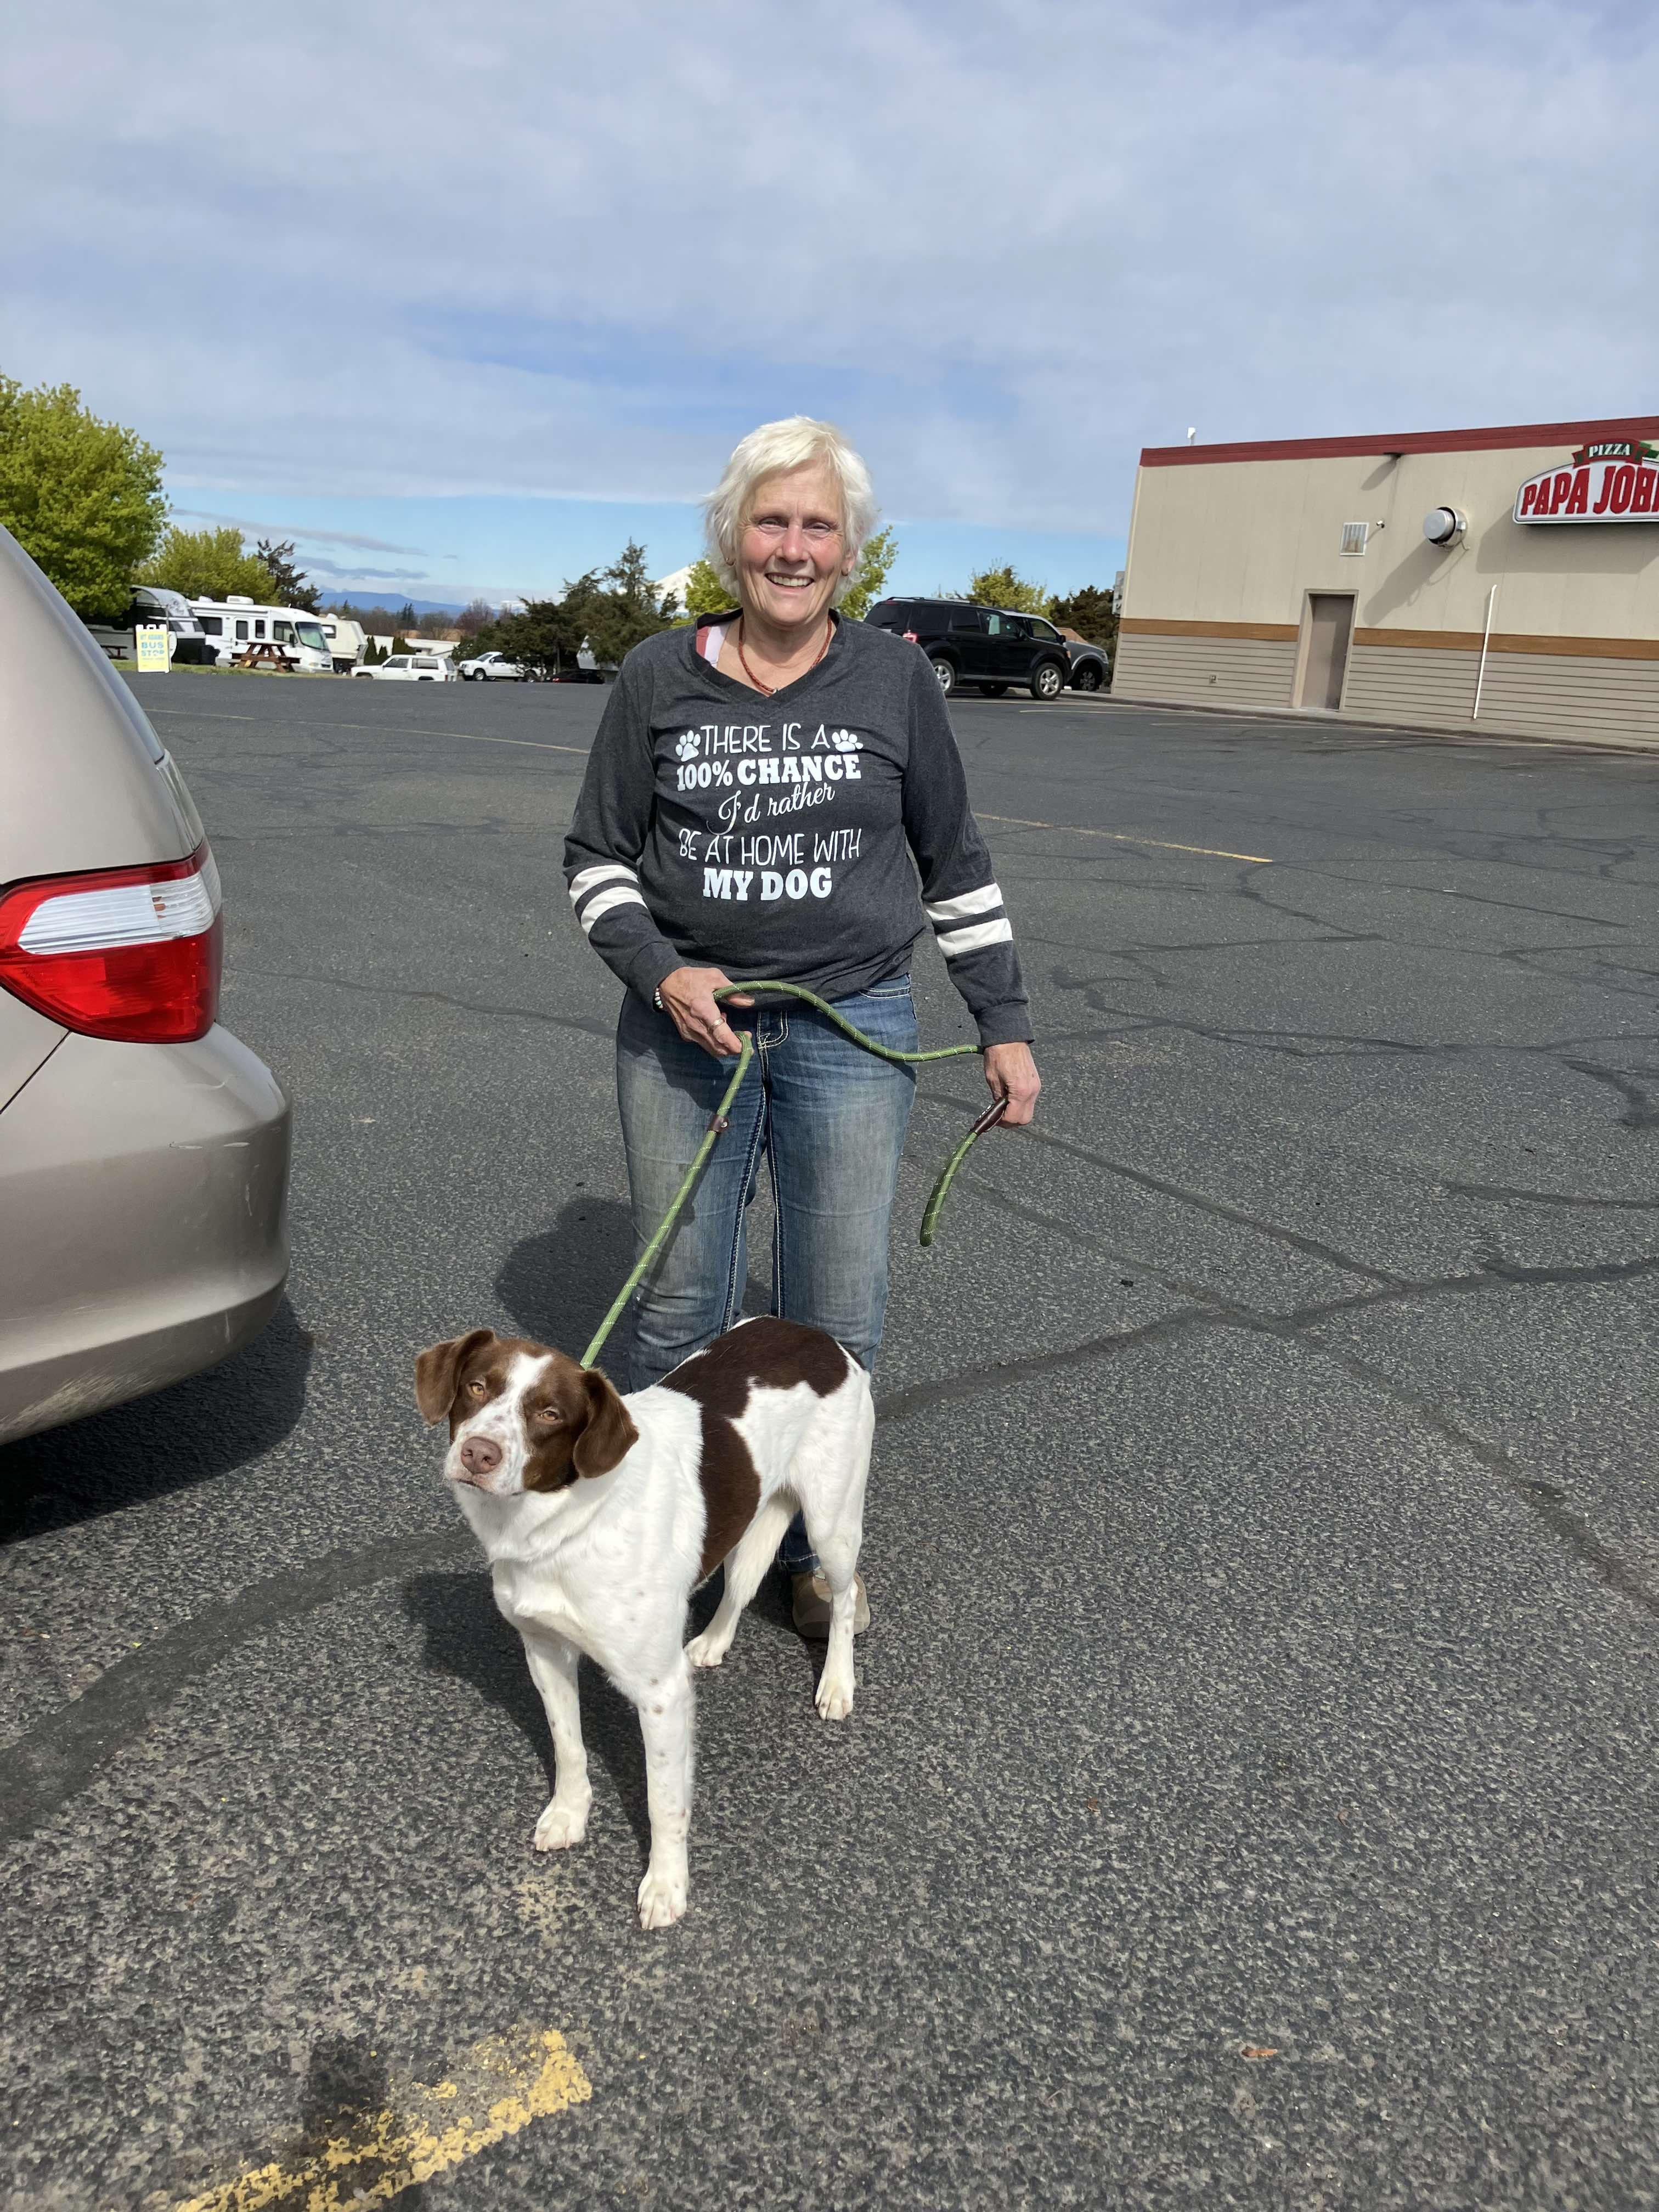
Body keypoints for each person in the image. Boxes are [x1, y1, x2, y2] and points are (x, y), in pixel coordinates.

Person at [563, 416, 1040, 1637]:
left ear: (851, 550)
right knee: (678, 1311)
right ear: (732, 538)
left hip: (855, 1025)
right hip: (686, 1032)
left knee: (835, 1318)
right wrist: (661, 971)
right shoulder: (657, 678)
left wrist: (1003, 1019)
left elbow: (954, 857)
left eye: (817, 526)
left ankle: (813, 1561)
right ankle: (661, 1542)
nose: (793, 547)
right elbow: (595, 860)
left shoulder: (893, 678)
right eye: (771, 521)